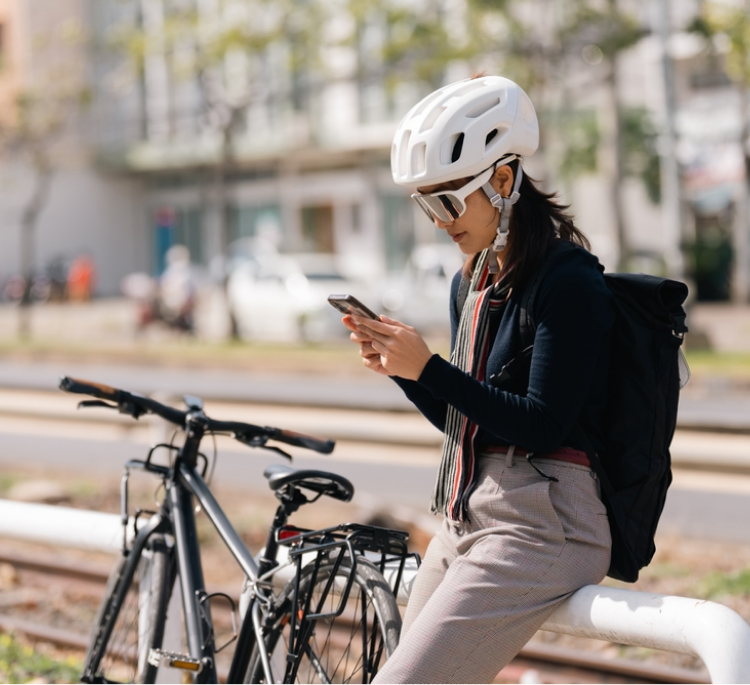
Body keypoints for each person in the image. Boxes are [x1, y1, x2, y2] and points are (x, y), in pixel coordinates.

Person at [342, 75, 614, 683]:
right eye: (425, 205)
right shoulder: (471, 282)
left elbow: (543, 424)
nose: (438, 221)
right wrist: (408, 374)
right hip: (469, 513)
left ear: (502, 179)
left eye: (447, 201)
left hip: (546, 523)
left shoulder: (567, 279)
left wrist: (431, 368)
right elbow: (471, 424)